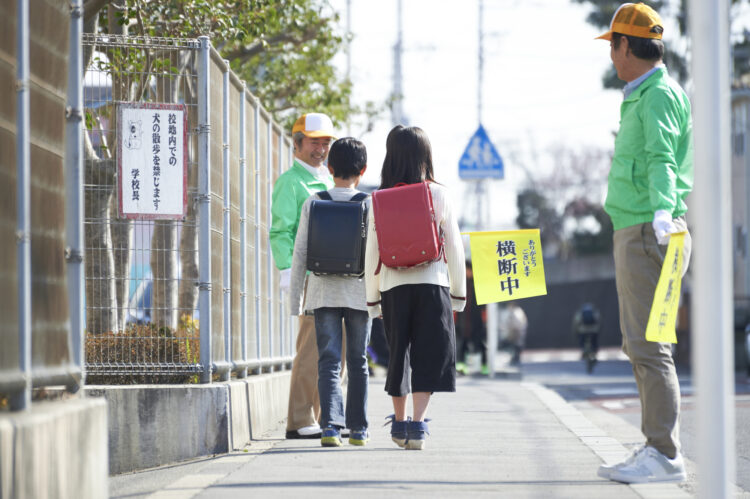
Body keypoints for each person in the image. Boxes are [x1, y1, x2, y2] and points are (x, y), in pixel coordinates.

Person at [595, 3, 692, 484]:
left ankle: (664, 454)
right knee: (640, 344)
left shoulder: (656, 95)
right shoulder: (644, 93)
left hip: (647, 230)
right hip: (637, 227)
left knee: (649, 345)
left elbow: (661, 158)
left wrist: (659, 211)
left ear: (626, 45)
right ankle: (657, 446)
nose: (610, 57)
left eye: (612, 45)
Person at [364, 126, 466, 450]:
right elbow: (454, 247)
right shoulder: (439, 194)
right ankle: (418, 426)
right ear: (426, 155)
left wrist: (372, 299)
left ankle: (398, 423)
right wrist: (459, 294)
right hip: (432, 284)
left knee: (399, 357)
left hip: (393, 287)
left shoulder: (377, 199)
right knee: (429, 356)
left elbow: (371, 253)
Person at [288, 137, 372, 447]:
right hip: (359, 295)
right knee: (358, 361)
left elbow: (300, 254)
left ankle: (330, 428)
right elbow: (376, 255)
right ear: (363, 170)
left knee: (328, 361)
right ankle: (359, 429)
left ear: (330, 167)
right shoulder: (369, 203)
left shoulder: (314, 201)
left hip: (322, 294)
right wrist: (379, 300)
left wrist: (296, 300)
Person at [270, 112, 335, 439]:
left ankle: (326, 418)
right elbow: (280, 232)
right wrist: (287, 271)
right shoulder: (290, 182)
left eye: (325, 142)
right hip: (309, 276)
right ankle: (298, 419)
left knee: (330, 351)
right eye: (314, 142)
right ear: (297, 143)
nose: (321, 149)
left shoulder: (326, 179)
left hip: (331, 276)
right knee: (311, 349)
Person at [454, 262, 487, 375]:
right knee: (462, 344)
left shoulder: (478, 284)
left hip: (476, 320)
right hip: (463, 320)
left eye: (469, 270)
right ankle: (461, 366)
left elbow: (484, 305)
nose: (468, 272)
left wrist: (484, 318)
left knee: (481, 344)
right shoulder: (462, 283)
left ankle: (485, 365)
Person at [572, 303, 601, 371]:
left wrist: (576, 332)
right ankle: (594, 353)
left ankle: (584, 352)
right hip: (593, 330)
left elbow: (576, 323)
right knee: (594, 342)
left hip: (583, 331)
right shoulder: (595, 312)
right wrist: (597, 330)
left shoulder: (579, 313)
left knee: (582, 342)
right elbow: (599, 321)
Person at [500, 302, 527, 366]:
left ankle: (515, 359)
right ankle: (514, 358)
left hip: (517, 333)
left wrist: (514, 332)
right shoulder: (512, 311)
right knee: (514, 347)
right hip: (515, 333)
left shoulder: (517, 312)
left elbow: (519, 324)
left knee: (516, 347)